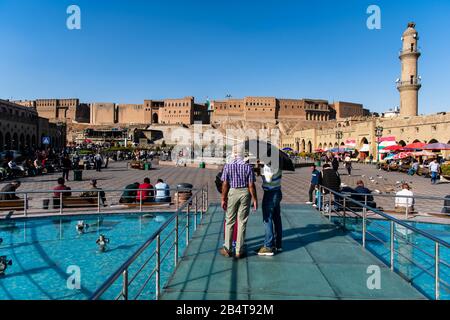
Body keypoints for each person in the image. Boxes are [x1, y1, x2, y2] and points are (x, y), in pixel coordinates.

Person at [220, 145, 257, 259]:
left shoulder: (228, 166)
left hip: (233, 192)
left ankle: (227, 248)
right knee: (242, 222)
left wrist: (223, 198)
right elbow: (251, 185)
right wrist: (255, 199)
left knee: (229, 220)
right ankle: (239, 250)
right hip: (245, 193)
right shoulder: (247, 167)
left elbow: (225, 184)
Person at [258, 162, 283, 256]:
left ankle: (268, 246)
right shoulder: (279, 165)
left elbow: (268, 179)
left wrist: (261, 171)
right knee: (277, 219)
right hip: (277, 191)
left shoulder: (268, 167)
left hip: (270, 194)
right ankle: (278, 244)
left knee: (267, 219)